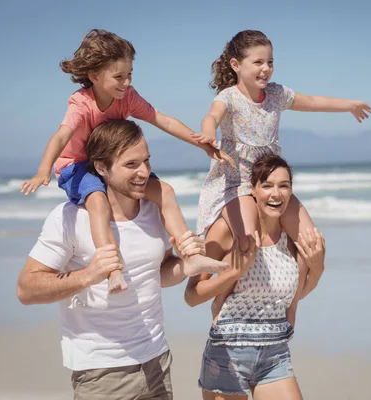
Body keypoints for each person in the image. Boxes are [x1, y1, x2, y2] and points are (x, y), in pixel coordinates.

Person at [17, 119, 228, 400]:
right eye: (131, 165)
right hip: (101, 373)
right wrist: (88, 275)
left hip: (156, 362)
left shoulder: (154, 211)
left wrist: (185, 266)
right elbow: (26, 289)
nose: (144, 172)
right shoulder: (69, 217)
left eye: (146, 161)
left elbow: (159, 273)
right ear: (101, 167)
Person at [20, 29, 231, 294]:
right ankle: (112, 268)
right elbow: (62, 135)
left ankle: (190, 253)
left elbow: (161, 119)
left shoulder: (128, 96)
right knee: (97, 201)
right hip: (77, 164)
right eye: (119, 76)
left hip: (111, 162)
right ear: (94, 76)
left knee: (164, 190)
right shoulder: (80, 104)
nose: (126, 81)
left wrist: (201, 144)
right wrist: (42, 171)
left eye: (130, 74)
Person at [193, 29, 370, 254]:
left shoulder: (276, 94)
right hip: (238, 184)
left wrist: (350, 105)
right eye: (258, 62)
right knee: (249, 243)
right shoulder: (228, 97)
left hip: (272, 180)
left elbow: (314, 101)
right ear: (236, 65)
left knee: (312, 243)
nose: (266, 68)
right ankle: (228, 286)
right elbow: (212, 116)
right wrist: (209, 135)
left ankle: (293, 289)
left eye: (270, 62)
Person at [185, 154, 325, 399]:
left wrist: (318, 267)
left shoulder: (291, 241)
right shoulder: (227, 232)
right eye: (267, 186)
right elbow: (192, 296)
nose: (276, 194)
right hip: (228, 354)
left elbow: (296, 294)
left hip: (275, 354)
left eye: (284, 186)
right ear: (253, 190)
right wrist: (234, 273)